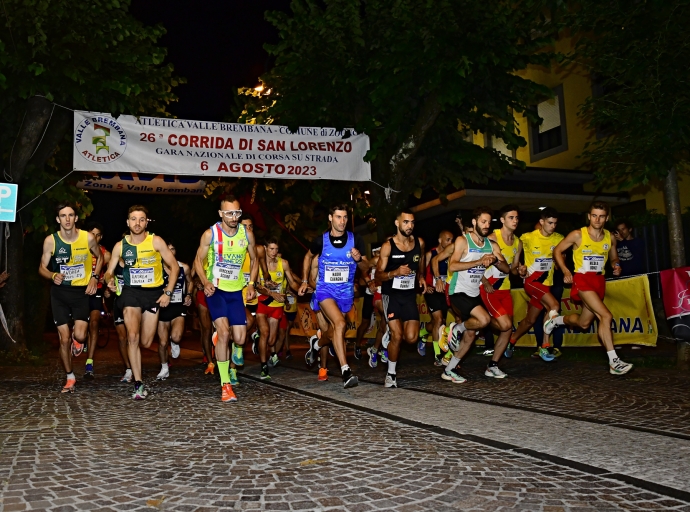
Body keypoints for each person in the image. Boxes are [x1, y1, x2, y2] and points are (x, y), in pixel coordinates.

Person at [550, 202, 633, 375]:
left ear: (607, 218)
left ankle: (557, 321)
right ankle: (614, 361)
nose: (597, 219)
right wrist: (566, 271)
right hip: (582, 280)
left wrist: (616, 265)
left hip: (598, 281)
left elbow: (613, 258)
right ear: (589, 216)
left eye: (601, 216)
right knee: (606, 315)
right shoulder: (578, 235)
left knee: (584, 323)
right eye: (594, 215)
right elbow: (557, 251)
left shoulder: (609, 237)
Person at [105, 205, 178, 400]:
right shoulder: (120, 246)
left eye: (141, 219)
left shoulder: (156, 241)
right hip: (130, 293)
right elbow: (108, 270)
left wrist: (168, 293)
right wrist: (109, 280)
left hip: (153, 294)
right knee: (133, 337)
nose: (137, 223)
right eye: (134, 219)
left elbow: (175, 267)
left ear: (146, 222)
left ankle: (138, 378)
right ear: (127, 222)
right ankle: (138, 384)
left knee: (146, 341)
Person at [194, 197, 259, 402]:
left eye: (237, 213)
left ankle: (229, 343)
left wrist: (251, 285)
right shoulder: (210, 234)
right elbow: (198, 260)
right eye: (229, 213)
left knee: (239, 338)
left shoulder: (246, 234)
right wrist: (205, 282)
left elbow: (255, 260)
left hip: (235, 292)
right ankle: (226, 385)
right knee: (224, 334)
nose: (234, 217)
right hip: (216, 291)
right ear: (221, 214)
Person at [299, 204, 369, 388]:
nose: (342, 221)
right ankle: (345, 371)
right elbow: (307, 257)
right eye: (338, 217)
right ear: (330, 218)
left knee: (334, 332)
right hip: (325, 291)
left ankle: (316, 344)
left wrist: (359, 259)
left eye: (345, 217)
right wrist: (305, 281)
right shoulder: (321, 241)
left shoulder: (356, 239)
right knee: (340, 324)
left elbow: (366, 267)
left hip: (345, 292)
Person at [439, 206, 511, 383]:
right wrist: (479, 261)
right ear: (474, 222)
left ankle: (448, 371)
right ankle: (456, 328)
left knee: (471, 334)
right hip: (457, 291)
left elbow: (506, 268)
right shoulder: (463, 241)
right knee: (484, 320)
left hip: (473, 293)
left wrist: (494, 259)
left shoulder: (492, 245)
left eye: (488, 222)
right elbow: (452, 266)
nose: (486, 225)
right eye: (483, 221)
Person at [39, 202, 103, 393]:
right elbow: (41, 267)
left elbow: (100, 258)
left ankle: (78, 338)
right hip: (59, 293)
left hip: (80, 293)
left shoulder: (88, 238)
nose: (67, 219)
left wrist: (94, 277)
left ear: (76, 218)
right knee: (64, 339)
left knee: (81, 335)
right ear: (58, 219)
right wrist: (51, 275)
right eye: (63, 216)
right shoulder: (51, 241)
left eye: (71, 215)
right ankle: (70, 377)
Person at [375, 209, 430, 388]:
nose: (410, 226)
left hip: (408, 295)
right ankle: (391, 374)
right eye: (406, 222)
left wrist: (421, 276)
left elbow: (420, 262)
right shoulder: (388, 246)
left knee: (412, 338)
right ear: (397, 223)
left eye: (412, 222)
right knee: (397, 336)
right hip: (390, 295)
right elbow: (378, 275)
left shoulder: (419, 243)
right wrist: (395, 272)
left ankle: (389, 337)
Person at [504, 207, 564, 362]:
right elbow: (515, 253)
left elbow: (559, 264)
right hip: (532, 282)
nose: (553, 226)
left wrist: (560, 262)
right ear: (542, 222)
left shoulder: (559, 239)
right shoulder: (527, 238)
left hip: (547, 283)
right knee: (554, 306)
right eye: (550, 223)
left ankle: (511, 341)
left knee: (530, 320)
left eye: (555, 223)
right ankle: (544, 346)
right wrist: (520, 267)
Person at [480, 205, 522, 376]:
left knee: (508, 328)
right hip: (489, 286)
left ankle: (493, 365)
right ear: (503, 220)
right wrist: (483, 281)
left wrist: (520, 271)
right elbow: (475, 263)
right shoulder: (491, 238)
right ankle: (477, 321)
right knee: (505, 324)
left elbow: (511, 269)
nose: (515, 221)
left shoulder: (518, 242)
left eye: (517, 218)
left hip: (505, 288)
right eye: (511, 217)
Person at [255, 237, 300, 380]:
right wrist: (272, 293)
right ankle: (263, 366)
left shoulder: (284, 263)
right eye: (271, 249)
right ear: (265, 248)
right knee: (265, 333)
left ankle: (260, 344)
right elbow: (257, 286)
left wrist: (301, 289)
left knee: (271, 340)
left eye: (276, 249)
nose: (274, 252)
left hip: (277, 305)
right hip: (263, 302)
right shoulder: (258, 264)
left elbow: (292, 282)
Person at [156, 243, 193, 380]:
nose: (170, 251)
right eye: (167, 249)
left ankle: (175, 342)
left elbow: (190, 282)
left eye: (173, 248)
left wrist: (189, 294)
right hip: (163, 307)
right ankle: (164, 367)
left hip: (178, 306)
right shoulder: (157, 268)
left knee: (176, 336)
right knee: (162, 342)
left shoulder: (184, 267)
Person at [82, 221, 111, 378]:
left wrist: (108, 285)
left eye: (98, 234)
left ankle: (89, 362)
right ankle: (79, 339)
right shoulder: (79, 249)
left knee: (94, 323)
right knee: (81, 326)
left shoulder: (105, 253)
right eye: (92, 233)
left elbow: (110, 271)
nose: (95, 237)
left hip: (96, 291)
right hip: (79, 291)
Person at [425, 230, 454, 366]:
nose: (450, 242)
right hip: (432, 291)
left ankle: (424, 331)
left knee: (440, 322)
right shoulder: (431, 254)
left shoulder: (451, 254)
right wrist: (426, 285)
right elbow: (421, 271)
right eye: (448, 240)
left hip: (445, 290)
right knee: (438, 319)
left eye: (451, 240)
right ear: (440, 240)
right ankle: (437, 354)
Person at [103, 253, 132, 382]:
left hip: (134, 305)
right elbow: (108, 280)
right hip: (119, 304)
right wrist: (108, 291)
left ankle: (135, 364)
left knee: (134, 337)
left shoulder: (137, 263)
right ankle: (128, 369)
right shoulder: (114, 265)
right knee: (122, 337)